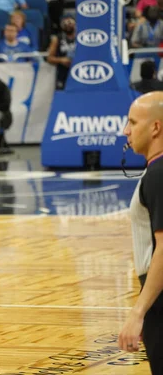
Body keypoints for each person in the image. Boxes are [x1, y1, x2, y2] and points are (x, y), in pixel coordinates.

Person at [119, 91, 163, 374]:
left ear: (156, 127)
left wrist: (138, 312)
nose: (126, 130)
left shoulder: (158, 175)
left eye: (132, 122)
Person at [47, 14, 76, 90]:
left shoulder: (82, 37)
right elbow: (49, 58)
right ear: (61, 25)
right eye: (65, 23)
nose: (67, 25)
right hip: (63, 73)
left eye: (70, 23)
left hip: (79, 71)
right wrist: (61, 60)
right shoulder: (56, 39)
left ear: (75, 23)